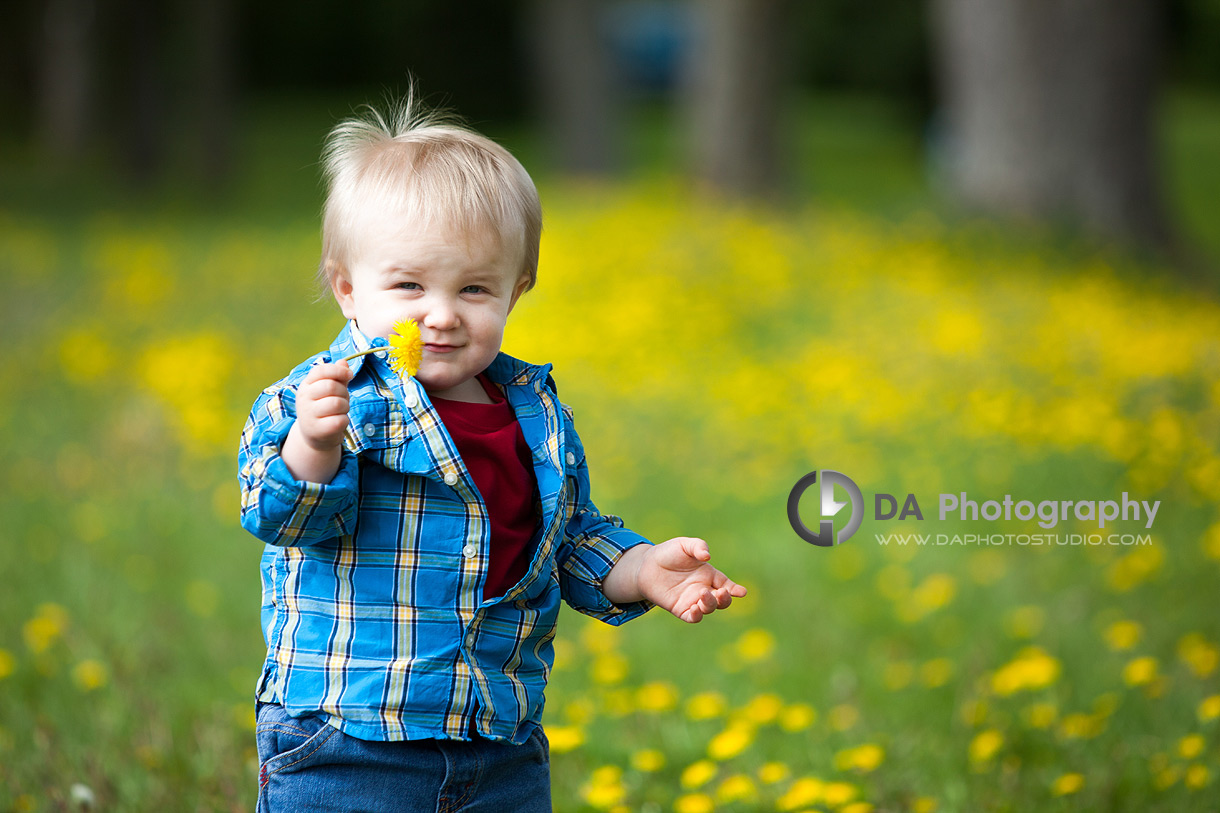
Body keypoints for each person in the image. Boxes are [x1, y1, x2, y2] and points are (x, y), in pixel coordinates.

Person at [237, 92, 747, 812]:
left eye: (474, 288)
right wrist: (314, 448)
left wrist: (640, 570)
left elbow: (565, 538)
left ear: (518, 288)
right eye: (409, 284)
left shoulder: (533, 414)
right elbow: (284, 517)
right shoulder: (326, 403)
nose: (441, 314)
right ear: (348, 287)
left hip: (499, 745)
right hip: (349, 742)